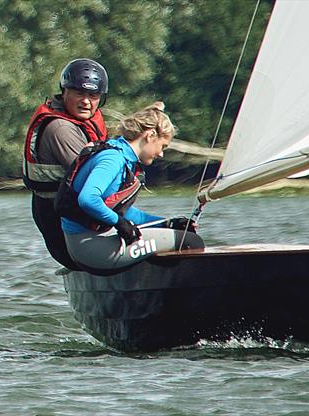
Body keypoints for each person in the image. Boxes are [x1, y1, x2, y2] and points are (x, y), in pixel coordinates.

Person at [55, 102, 205, 273]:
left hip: (91, 244)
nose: (161, 154)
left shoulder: (124, 158)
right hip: (92, 250)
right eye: (163, 146)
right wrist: (119, 223)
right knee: (191, 241)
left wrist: (168, 223)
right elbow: (87, 199)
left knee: (178, 236)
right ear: (150, 135)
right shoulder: (113, 159)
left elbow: (126, 214)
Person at [23, 58, 109, 270]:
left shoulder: (80, 123)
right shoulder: (61, 129)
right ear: (64, 92)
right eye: (79, 94)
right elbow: (94, 179)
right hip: (65, 231)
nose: (86, 102)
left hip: (80, 222)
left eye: (93, 95)